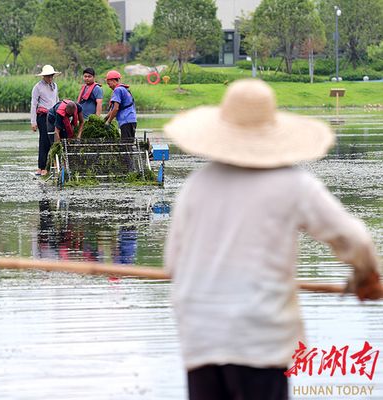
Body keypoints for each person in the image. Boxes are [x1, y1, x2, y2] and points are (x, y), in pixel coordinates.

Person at [162, 79, 382, 400]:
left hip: (201, 338)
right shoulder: (292, 184)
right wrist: (366, 276)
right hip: (259, 341)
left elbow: (173, 263)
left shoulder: (196, 185)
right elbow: (354, 239)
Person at [30, 64, 60, 176]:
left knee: (53, 140)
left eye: (51, 76)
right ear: (43, 76)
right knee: (44, 141)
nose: (50, 78)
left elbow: (56, 100)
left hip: (53, 115)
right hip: (42, 116)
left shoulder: (55, 86)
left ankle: (50, 166)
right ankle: (41, 167)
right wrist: (33, 122)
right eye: (48, 76)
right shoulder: (37, 87)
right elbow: (33, 104)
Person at [104, 70, 137, 141]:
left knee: (125, 146)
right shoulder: (124, 89)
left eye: (109, 83)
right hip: (132, 120)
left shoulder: (117, 90)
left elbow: (116, 109)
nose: (109, 86)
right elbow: (113, 109)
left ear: (114, 81)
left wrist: (109, 122)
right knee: (129, 144)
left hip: (126, 121)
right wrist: (105, 118)